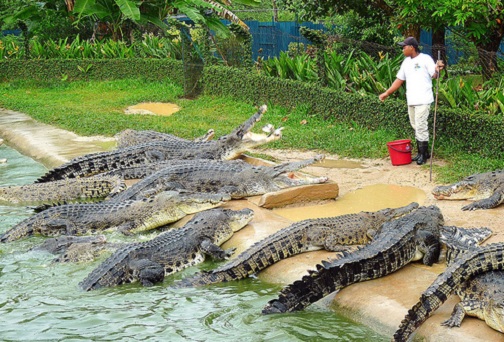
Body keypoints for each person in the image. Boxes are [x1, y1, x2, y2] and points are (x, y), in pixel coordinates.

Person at [379, 36, 444, 165]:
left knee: (421, 126)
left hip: (424, 99)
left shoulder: (425, 59)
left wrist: (438, 69)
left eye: (404, 47)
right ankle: (424, 152)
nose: (402, 49)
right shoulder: (406, 62)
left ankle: (422, 155)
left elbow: (434, 75)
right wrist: (387, 93)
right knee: (415, 125)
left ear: (411, 48)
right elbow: (399, 80)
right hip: (411, 100)